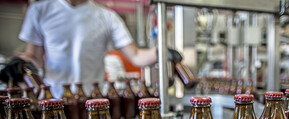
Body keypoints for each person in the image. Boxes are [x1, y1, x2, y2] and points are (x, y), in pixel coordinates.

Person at [0, 0, 181, 98]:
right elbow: (34, 56)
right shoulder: (40, 10)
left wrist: (161, 52)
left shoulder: (106, 16)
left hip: (93, 100)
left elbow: (135, 56)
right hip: (53, 99)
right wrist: (21, 63)